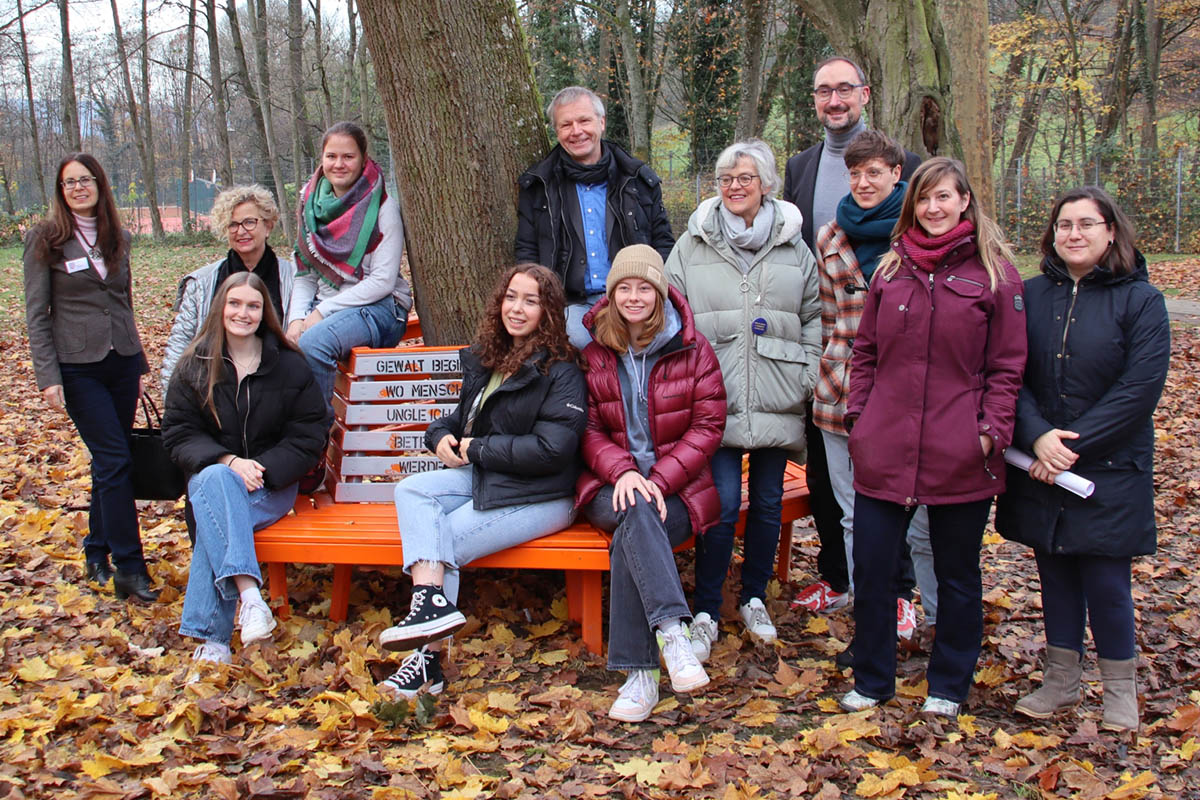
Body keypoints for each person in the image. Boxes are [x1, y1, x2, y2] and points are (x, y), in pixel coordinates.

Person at [838, 157, 1026, 718]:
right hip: (885, 447)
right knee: (872, 568)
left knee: (957, 573)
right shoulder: (892, 272)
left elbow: (1008, 366)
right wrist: (859, 417)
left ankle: (948, 684)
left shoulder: (994, 275)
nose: (934, 208)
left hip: (959, 450)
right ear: (912, 206)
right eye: (924, 199)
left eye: (945, 197)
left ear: (965, 200)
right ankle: (872, 679)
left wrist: (989, 432)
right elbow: (865, 352)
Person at [996, 187, 1169, 732]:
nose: (1074, 234)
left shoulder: (1141, 301)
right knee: (1055, 571)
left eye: (1086, 224)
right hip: (1042, 462)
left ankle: (1121, 689)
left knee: (1106, 579)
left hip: (1109, 464)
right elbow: (1009, 374)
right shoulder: (1029, 296)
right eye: (1064, 224)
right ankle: (1061, 680)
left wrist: (1071, 445)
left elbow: (1139, 388)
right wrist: (1039, 436)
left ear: (1111, 231)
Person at [376, 264, 587, 698]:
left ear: (548, 311)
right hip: (491, 477)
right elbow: (456, 420)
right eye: (511, 297)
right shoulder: (492, 359)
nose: (517, 308)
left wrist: (475, 450)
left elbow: (553, 450)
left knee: (443, 541)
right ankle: (430, 605)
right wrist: (438, 438)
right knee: (411, 489)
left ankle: (425, 664)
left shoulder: (560, 370)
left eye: (531, 300)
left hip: (544, 494)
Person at [664, 139, 821, 661]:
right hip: (716, 398)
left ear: (767, 184)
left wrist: (807, 372)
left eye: (745, 178)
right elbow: (671, 317)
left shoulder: (793, 245)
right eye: (727, 178)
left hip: (778, 391)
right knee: (724, 503)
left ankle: (754, 596)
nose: (735, 186)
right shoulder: (693, 243)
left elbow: (815, 315)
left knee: (770, 504)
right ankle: (707, 606)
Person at [784, 56, 922, 623]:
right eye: (823, 91)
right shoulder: (800, 166)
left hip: (899, 362)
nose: (834, 100)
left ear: (865, 93)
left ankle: (901, 591)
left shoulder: (911, 167)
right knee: (827, 475)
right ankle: (839, 578)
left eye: (844, 89)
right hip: (829, 352)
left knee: (895, 484)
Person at [576, 245, 727, 722]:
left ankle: (639, 677)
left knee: (633, 530)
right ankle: (673, 634)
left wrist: (658, 480)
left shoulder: (691, 347)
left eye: (644, 287)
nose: (635, 296)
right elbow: (586, 428)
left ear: (660, 292)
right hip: (608, 485)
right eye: (625, 287)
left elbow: (708, 424)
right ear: (612, 292)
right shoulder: (596, 351)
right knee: (633, 508)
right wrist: (622, 470)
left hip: (677, 490)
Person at [811, 130, 937, 664]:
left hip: (909, 393)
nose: (863, 182)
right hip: (840, 391)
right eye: (855, 173)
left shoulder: (919, 234)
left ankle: (920, 607)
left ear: (896, 174)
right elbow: (827, 316)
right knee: (852, 511)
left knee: (918, 512)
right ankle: (872, 612)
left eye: (875, 173)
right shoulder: (831, 236)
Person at [162, 273, 327, 668]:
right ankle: (251, 598)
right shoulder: (194, 365)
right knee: (216, 484)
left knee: (213, 516)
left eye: (253, 306)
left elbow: (309, 434)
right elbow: (178, 433)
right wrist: (229, 461)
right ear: (221, 307)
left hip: (272, 485)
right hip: (215, 478)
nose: (243, 313)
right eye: (235, 304)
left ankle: (214, 639)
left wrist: (263, 469)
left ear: (264, 312)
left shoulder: (290, 365)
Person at [23, 153, 157, 602]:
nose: (78, 188)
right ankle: (130, 567)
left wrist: (138, 364)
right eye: (69, 183)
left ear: (100, 184)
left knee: (109, 463)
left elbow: (124, 302)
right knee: (116, 461)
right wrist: (47, 376)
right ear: (60, 192)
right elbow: (37, 314)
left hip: (121, 363)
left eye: (85, 180)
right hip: (77, 367)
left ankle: (96, 550)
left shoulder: (117, 236)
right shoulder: (46, 239)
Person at [516, 86, 674, 350]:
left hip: (633, 298)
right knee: (582, 342)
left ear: (601, 123)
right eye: (566, 124)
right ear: (557, 132)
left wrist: (654, 294)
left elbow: (663, 244)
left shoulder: (638, 180)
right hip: (571, 304)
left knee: (665, 334)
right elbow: (527, 253)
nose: (576, 131)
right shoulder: (539, 186)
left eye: (584, 120)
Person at [287, 121, 411, 423]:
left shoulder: (383, 207)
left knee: (314, 343)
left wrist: (322, 313)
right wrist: (294, 321)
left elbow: (382, 281)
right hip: (329, 309)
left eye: (348, 157)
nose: (339, 164)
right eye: (331, 156)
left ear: (363, 158)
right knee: (281, 348)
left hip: (381, 309)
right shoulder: (310, 205)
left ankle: (314, 438)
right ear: (321, 158)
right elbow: (305, 274)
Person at [162, 185, 297, 386]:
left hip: (276, 389)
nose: (241, 231)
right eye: (233, 224)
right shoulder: (201, 284)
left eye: (250, 222)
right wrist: (173, 402)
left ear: (268, 226)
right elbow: (179, 347)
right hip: (213, 388)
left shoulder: (295, 280)